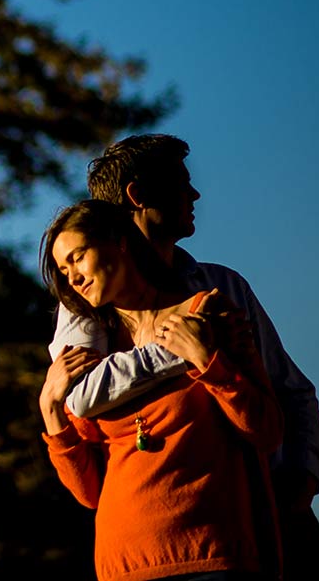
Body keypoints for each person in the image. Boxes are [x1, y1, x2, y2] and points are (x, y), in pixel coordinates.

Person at [50, 134, 319, 578]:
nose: (195, 194)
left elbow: (290, 393)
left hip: (254, 531)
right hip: (132, 557)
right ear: (138, 196)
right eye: (181, 183)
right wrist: (181, 348)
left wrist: (302, 483)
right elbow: (80, 399)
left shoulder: (222, 290)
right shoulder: (86, 310)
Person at [40, 199, 283, 580]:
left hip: (212, 554)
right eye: (63, 269)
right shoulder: (89, 362)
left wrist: (209, 363)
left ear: (119, 243)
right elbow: (88, 493)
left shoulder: (207, 314)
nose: (72, 276)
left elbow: (266, 431)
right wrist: (51, 411)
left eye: (78, 257)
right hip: (122, 564)